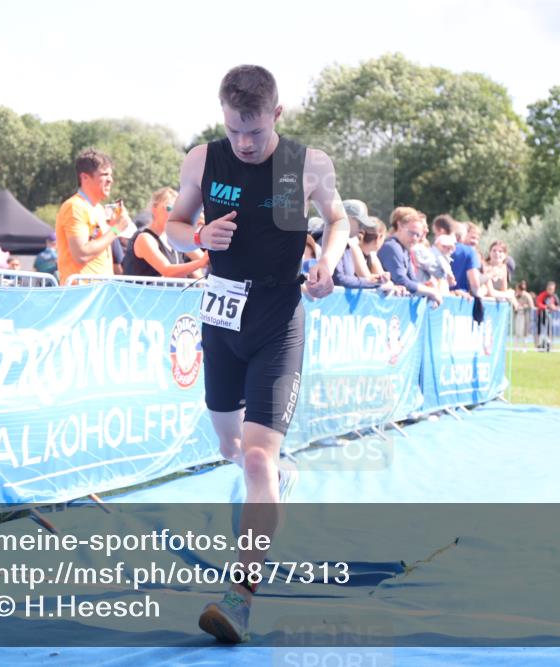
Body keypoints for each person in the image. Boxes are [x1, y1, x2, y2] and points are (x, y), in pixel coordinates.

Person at [164, 65, 348, 644]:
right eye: (234, 130)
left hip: (277, 317)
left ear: (277, 114)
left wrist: (328, 261)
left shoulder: (307, 164)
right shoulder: (202, 159)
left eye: (255, 131)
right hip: (220, 319)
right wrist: (197, 237)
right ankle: (266, 486)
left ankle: (240, 595)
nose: (244, 143)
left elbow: (339, 220)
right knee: (230, 446)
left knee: (259, 460)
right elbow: (171, 224)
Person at [55, 149, 131, 286]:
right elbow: (81, 254)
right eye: (105, 175)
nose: (111, 180)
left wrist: (112, 228)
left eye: (111, 175)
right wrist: (115, 229)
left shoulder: (99, 209)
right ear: (84, 177)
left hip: (98, 293)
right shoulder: (74, 206)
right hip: (80, 294)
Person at [125, 187, 209, 278]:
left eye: (176, 209)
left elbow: (205, 259)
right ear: (154, 209)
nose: (173, 213)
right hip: (148, 292)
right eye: (169, 208)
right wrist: (200, 263)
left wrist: (204, 231)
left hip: (171, 291)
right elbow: (167, 270)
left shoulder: (175, 237)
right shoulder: (145, 238)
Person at [378, 208, 444, 305]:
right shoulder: (392, 247)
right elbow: (401, 280)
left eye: (418, 235)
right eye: (411, 233)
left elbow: (413, 280)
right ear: (400, 225)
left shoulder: (404, 249)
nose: (414, 238)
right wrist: (431, 292)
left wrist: (429, 293)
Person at [480, 240, 519, 308]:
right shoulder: (485, 266)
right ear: (490, 252)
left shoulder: (504, 268)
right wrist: (508, 295)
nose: (497, 253)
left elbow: (503, 289)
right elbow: (490, 292)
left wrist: (507, 294)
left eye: (500, 251)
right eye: (494, 250)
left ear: (505, 255)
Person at [535, 281, 560, 351]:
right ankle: (539, 344)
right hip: (541, 314)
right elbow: (538, 303)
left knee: (549, 329)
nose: (550, 290)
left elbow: (558, 306)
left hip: (549, 315)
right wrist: (546, 306)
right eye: (549, 289)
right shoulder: (543, 295)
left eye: (552, 289)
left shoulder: (555, 296)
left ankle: (548, 343)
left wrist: (554, 307)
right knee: (540, 329)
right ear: (547, 288)